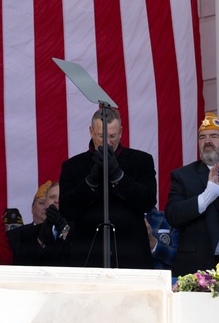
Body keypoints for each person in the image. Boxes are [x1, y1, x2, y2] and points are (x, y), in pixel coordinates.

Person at [59, 108, 156, 269]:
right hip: (87, 255)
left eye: (112, 136)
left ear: (121, 132)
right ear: (91, 131)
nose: (107, 142)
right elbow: (67, 209)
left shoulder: (141, 161)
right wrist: (90, 181)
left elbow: (147, 201)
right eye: (101, 136)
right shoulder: (72, 166)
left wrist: (119, 177)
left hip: (131, 254)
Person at [165, 112, 219, 277]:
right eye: (202, 137)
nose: (207, 141)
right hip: (196, 268)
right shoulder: (183, 176)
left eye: (214, 136)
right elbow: (173, 216)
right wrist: (206, 197)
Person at [7, 181, 70, 266]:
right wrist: (40, 241)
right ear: (46, 204)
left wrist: (64, 229)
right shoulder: (27, 233)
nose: (56, 201)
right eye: (52, 197)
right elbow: (20, 264)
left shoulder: (80, 229)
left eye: (61, 197)